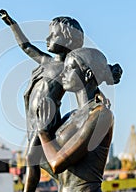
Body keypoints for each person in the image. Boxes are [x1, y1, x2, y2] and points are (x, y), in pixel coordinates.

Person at [0, 9, 84, 192]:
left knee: (31, 158)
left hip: (46, 118)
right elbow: (26, 46)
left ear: (68, 41)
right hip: (33, 120)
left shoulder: (68, 69)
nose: (47, 38)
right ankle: (68, 181)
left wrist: (107, 76)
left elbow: (88, 78)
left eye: (53, 35)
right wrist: (13, 24)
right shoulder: (47, 61)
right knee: (37, 159)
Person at [36, 47, 122, 192]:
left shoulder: (101, 115)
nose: (63, 74)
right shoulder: (70, 117)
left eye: (69, 68)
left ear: (88, 74)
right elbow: (56, 168)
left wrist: (43, 132)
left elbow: (57, 164)